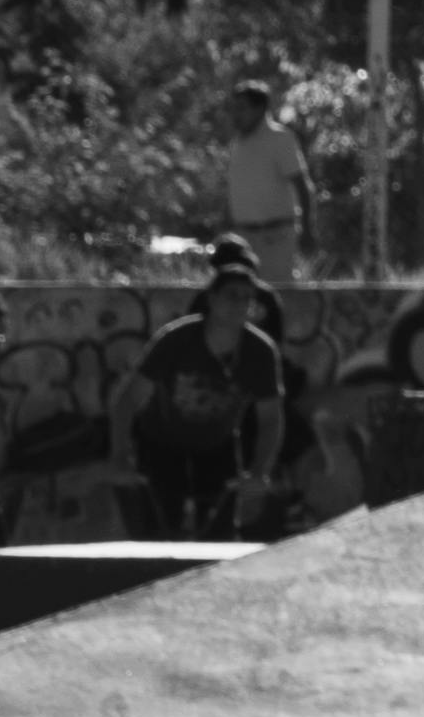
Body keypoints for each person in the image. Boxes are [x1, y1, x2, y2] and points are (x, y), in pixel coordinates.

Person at [122, 257, 291, 539]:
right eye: (231, 295)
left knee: (220, 534)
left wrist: (260, 470)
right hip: (161, 443)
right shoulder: (176, 340)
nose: (239, 304)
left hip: (217, 444)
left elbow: (271, 418)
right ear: (211, 299)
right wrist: (120, 455)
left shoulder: (260, 351)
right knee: (160, 531)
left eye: (247, 298)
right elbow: (127, 401)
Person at [214, 88, 309, 296]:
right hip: (243, 237)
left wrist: (308, 229)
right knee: (241, 295)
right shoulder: (237, 143)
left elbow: (302, 186)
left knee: (277, 295)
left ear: (260, 109)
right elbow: (236, 189)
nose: (235, 115)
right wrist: (223, 227)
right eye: (233, 109)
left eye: (241, 108)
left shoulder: (280, 138)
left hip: (275, 236)